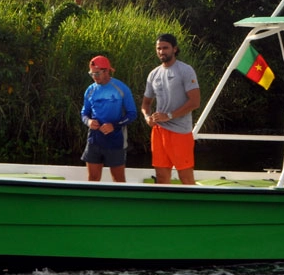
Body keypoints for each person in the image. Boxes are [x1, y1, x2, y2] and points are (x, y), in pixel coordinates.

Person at [141, 33, 200, 185]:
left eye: (165, 48)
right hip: (159, 131)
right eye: (158, 48)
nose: (161, 52)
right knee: (161, 176)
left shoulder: (185, 70)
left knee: (185, 177)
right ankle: (162, 208)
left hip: (180, 132)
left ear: (175, 49)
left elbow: (195, 102)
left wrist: (169, 115)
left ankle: (194, 208)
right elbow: (145, 104)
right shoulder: (153, 74)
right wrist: (147, 117)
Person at [80, 55, 138, 182]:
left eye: (97, 73)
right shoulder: (90, 90)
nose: (94, 77)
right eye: (92, 74)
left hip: (116, 140)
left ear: (106, 71)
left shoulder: (121, 88)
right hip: (94, 139)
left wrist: (114, 125)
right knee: (93, 178)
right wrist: (89, 121)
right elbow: (84, 113)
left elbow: (132, 114)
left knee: (118, 179)